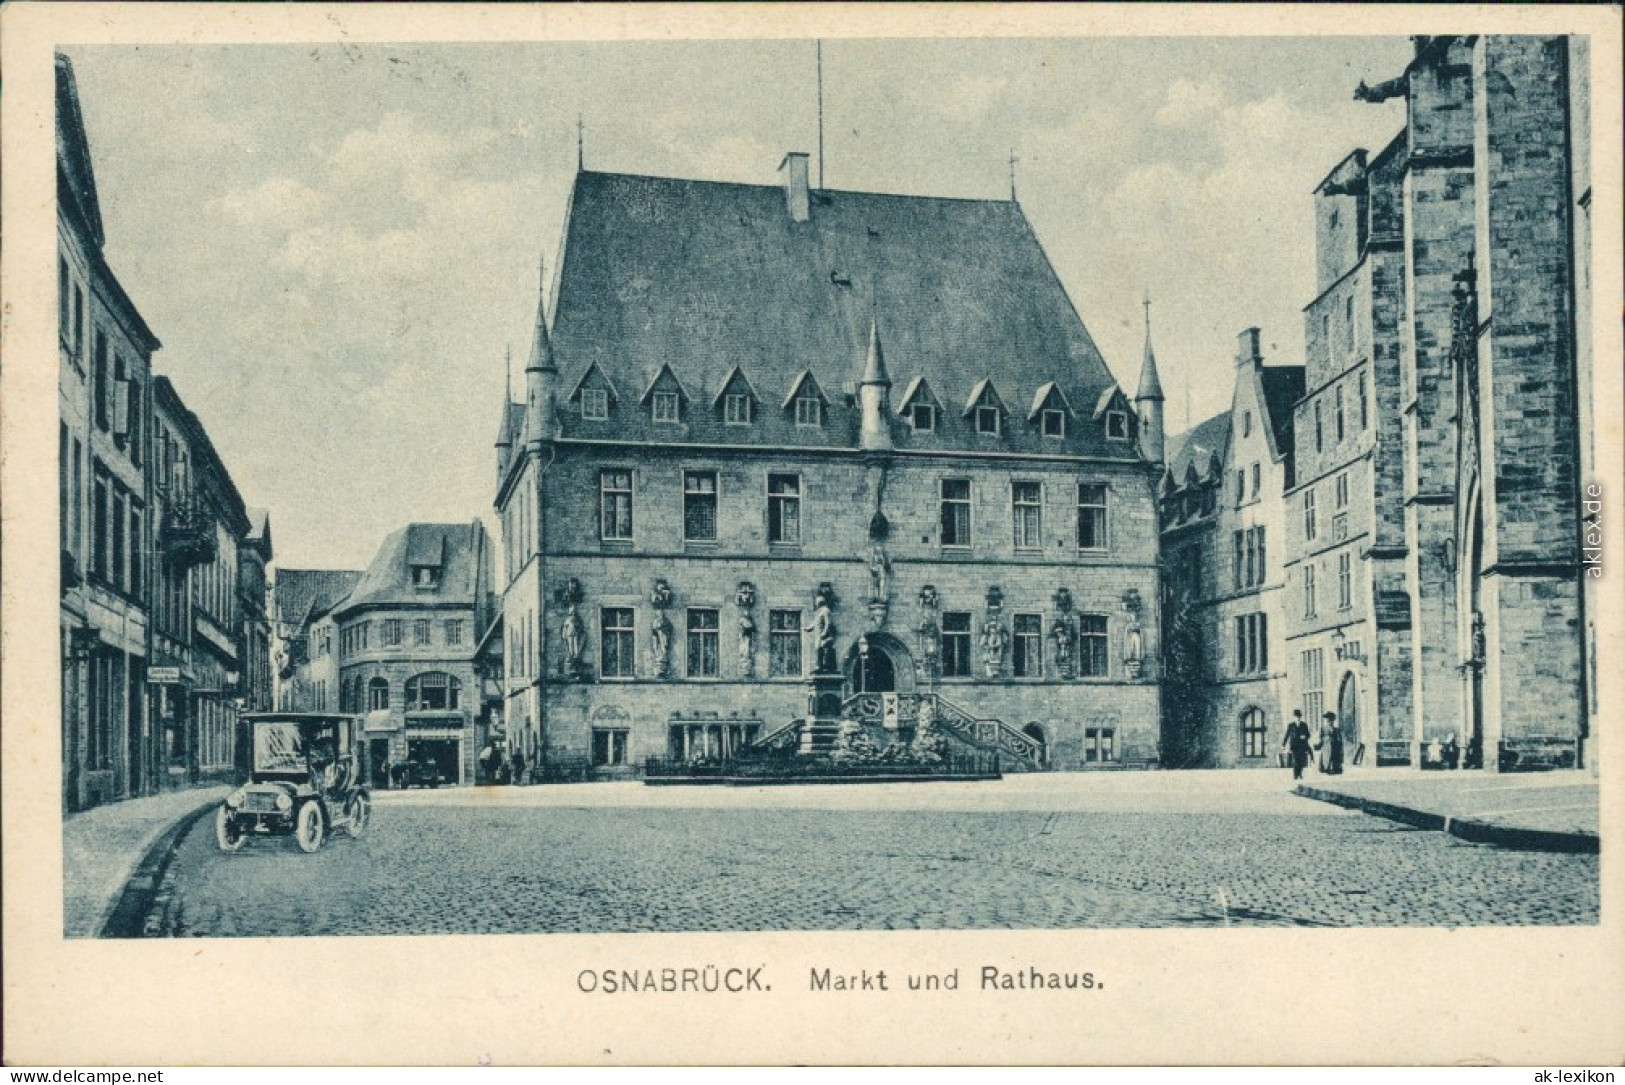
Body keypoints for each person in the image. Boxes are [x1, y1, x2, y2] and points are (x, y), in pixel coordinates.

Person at [1282, 710, 1313, 781]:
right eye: (1296, 717)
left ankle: (1300, 773)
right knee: (1295, 761)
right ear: (1294, 717)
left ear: (1300, 717)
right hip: (1294, 746)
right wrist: (1283, 744)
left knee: (1301, 761)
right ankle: (1295, 775)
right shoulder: (1291, 725)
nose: (1298, 718)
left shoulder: (1304, 725)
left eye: (1299, 717)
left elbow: (1308, 734)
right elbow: (1287, 735)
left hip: (1302, 746)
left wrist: (1305, 736)